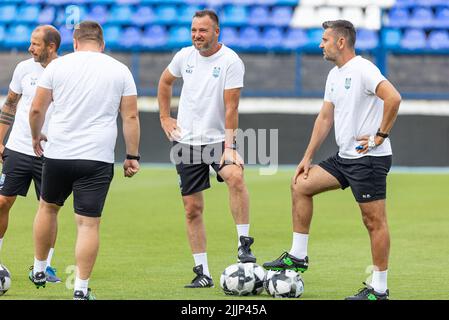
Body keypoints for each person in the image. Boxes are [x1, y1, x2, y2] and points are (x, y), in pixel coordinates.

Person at [263, 20, 402, 300]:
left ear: (341, 42)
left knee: (374, 221)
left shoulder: (363, 69)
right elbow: (325, 117)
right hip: (344, 158)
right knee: (301, 184)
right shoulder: (335, 75)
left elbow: (394, 98)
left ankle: (379, 290)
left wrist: (380, 135)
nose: (320, 44)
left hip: (369, 160)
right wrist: (307, 157)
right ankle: (298, 256)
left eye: (325, 39)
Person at [28, 21, 140, 300]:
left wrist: (35, 137)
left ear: (75, 43)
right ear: (102, 44)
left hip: (59, 152)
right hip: (97, 157)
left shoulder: (57, 66)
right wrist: (132, 156)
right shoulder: (120, 69)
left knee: (47, 207)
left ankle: (40, 268)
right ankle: (80, 289)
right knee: (88, 224)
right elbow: (131, 117)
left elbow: (37, 109)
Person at [157, 9, 255, 288]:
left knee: (235, 177)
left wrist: (230, 146)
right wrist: (164, 116)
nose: (197, 36)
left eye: (202, 30)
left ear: (216, 32)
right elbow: (165, 82)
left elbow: (232, 106)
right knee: (192, 209)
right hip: (185, 142)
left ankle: (243, 244)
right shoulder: (183, 56)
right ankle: (203, 272)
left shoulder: (231, 61)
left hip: (217, 140)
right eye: (193, 31)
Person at [0, 25, 61, 283]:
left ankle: (44, 268)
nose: (29, 48)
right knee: (2, 202)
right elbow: (11, 103)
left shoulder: (66, 70)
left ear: (51, 47)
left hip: (52, 152)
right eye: (30, 42)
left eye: (35, 44)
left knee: (49, 209)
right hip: (19, 148)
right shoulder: (24, 68)